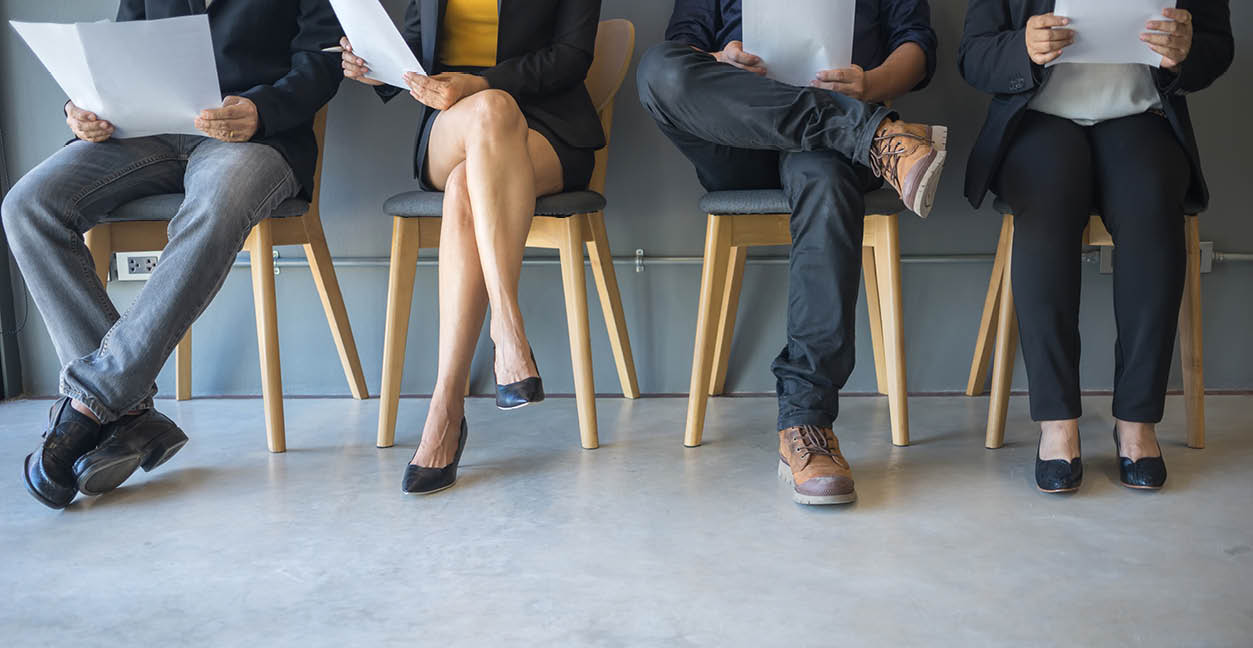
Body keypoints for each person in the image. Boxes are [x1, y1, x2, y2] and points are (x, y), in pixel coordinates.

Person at [2, 0, 343, 510]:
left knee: (215, 205)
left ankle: (92, 404)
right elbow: (118, 58)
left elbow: (325, 54)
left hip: (257, 136)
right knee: (28, 205)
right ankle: (128, 411)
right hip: (143, 132)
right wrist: (84, 108)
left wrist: (262, 110)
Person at [637, 0, 945, 506]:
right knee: (657, 69)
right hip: (735, 133)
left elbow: (917, 44)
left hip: (830, 153)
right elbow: (684, 42)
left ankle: (807, 424)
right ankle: (871, 134)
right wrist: (721, 59)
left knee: (822, 179)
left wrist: (871, 84)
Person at [959, 1, 1232, 493]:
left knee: (1153, 208)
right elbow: (972, 55)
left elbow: (1218, 46)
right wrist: (1022, 48)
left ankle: (1137, 421)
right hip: (1038, 120)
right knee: (1045, 210)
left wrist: (1186, 53)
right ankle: (1057, 421)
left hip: (1141, 117)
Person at [341, 0, 605, 494]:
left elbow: (572, 56)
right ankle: (507, 334)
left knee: (469, 178)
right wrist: (375, 67)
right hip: (452, 124)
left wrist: (483, 82)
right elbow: (415, 56)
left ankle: (445, 410)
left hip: (548, 127)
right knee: (488, 114)